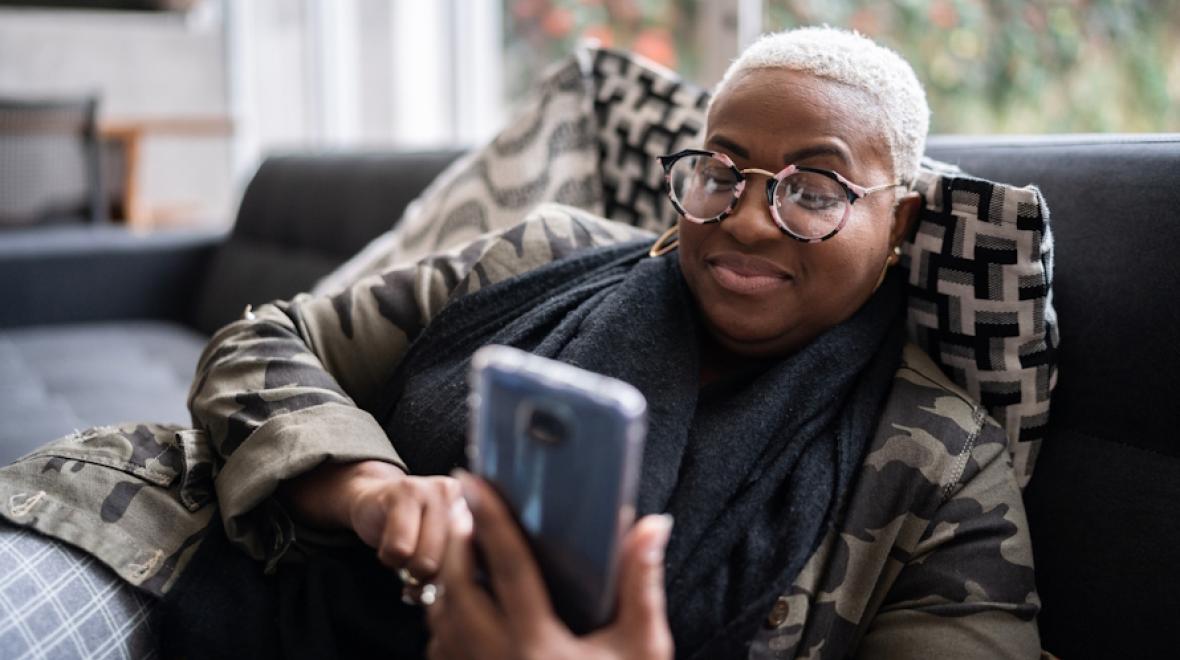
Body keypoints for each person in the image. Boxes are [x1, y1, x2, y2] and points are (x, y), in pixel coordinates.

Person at [0, 27, 1040, 659]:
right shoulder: (546, 254)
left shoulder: (938, 464)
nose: (749, 218)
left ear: (898, 223)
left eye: (815, 188)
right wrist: (370, 491)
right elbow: (266, 343)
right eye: (720, 170)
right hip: (195, 568)